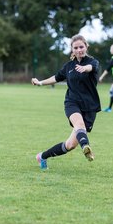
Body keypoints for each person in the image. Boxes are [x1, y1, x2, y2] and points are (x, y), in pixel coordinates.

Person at [31, 34, 101, 170]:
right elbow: (56, 78)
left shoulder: (93, 62)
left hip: (90, 106)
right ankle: (86, 147)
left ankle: (42, 156)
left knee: (69, 145)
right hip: (72, 103)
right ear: (72, 49)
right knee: (79, 124)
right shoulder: (69, 66)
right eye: (76, 47)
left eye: (81, 47)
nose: (79, 50)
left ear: (86, 46)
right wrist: (40, 83)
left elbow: (91, 68)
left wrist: (85, 68)